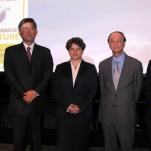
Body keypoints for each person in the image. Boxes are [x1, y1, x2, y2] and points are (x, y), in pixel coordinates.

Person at [4, 18, 53, 151]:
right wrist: (24, 94)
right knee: (18, 143)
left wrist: (35, 92)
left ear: (36, 31)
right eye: (25, 28)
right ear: (20, 32)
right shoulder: (11, 51)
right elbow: (9, 75)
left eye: (31, 28)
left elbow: (48, 75)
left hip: (37, 103)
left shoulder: (45, 52)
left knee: (37, 143)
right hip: (19, 103)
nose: (28, 31)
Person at [98, 31, 143, 151]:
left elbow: (137, 90)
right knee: (109, 147)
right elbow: (103, 89)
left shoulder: (135, 64)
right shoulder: (103, 65)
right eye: (112, 41)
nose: (115, 43)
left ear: (124, 43)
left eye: (119, 40)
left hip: (126, 114)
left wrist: (125, 103)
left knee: (127, 147)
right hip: (107, 114)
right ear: (109, 44)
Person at [52, 37, 98, 151]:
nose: (75, 51)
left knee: (81, 145)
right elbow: (55, 89)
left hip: (83, 114)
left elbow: (93, 90)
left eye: (78, 48)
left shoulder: (90, 68)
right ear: (68, 50)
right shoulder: (60, 68)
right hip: (63, 114)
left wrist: (80, 106)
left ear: (82, 50)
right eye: (72, 49)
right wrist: (67, 106)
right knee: (64, 146)